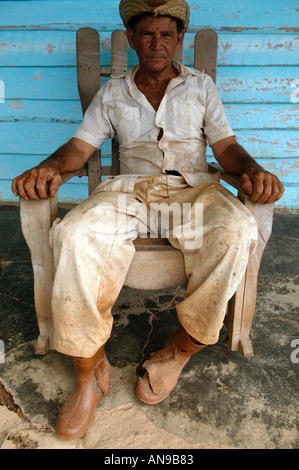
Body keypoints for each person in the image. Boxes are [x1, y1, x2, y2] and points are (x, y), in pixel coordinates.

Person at [11, 0, 284, 440]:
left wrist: (252, 169)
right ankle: (88, 371)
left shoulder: (201, 87)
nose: (157, 44)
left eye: (167, 35)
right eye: (147, 35)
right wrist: (49, 168)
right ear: (134, 40)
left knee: (237, 229)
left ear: (179, 40)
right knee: (76, 234)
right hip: (129, 191)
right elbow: (80, 149)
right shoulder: (114, 91)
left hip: (193, 190)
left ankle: (178, 351)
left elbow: (226, 147)